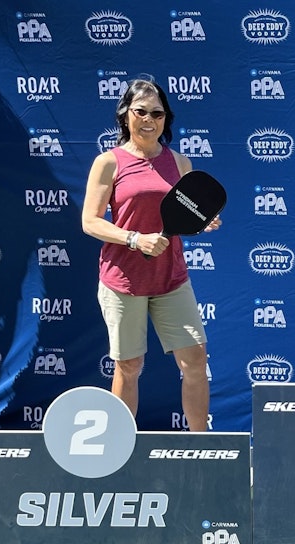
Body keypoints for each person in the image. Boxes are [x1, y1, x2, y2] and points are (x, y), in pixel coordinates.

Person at [81, 77, 221, 431]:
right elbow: (90, 222)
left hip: (171, 279)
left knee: (195, 360)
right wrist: (133, 239)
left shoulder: (180, 162)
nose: (149, 119)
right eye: (140, 111)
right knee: (128, 367)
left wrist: (202, 222)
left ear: (166, 119)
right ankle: (119, 451)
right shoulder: (108, 162)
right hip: (122, 281)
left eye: (157, 113)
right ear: (125, 116)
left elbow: (188, 213)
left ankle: (202, 447)